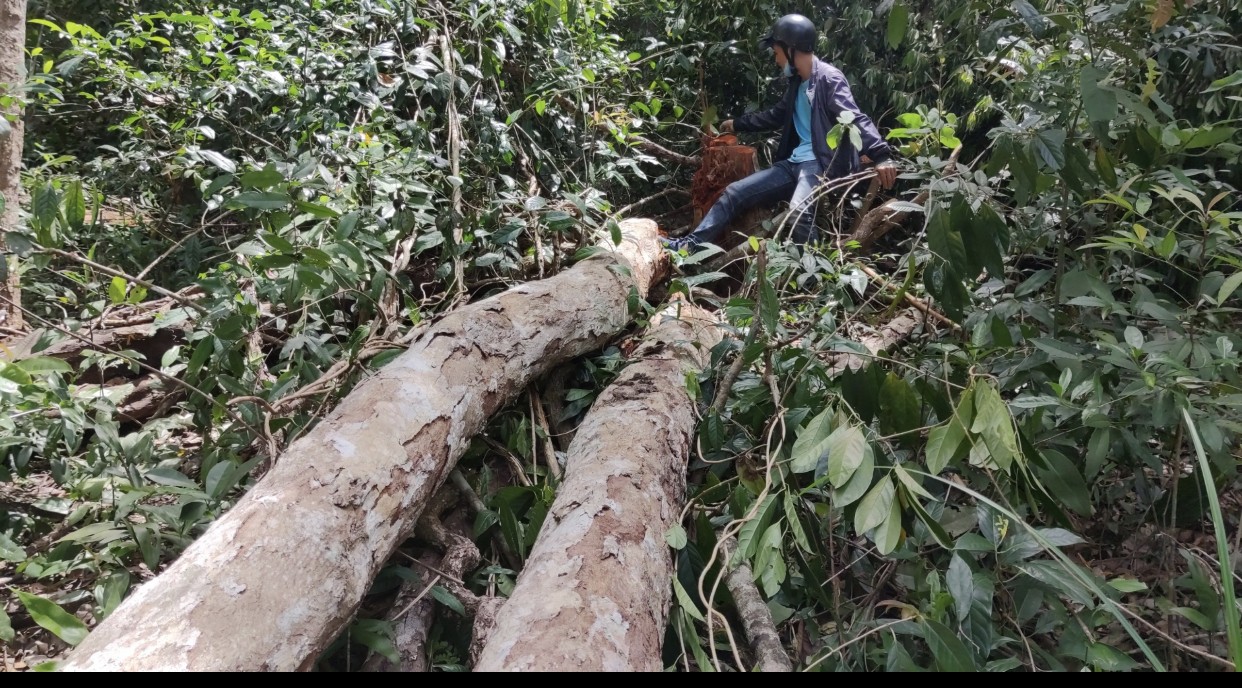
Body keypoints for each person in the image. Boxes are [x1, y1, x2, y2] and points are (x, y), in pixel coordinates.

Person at [664, 14, 897, 251]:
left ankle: (814, 278)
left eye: (777, 52)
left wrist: (880, 155)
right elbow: (776, 115)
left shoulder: (828, 79)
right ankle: (687, 248)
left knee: (798, 211)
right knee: (734, 192)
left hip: (819, 163)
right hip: (794, 163)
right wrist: (737, 124)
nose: (776, 59)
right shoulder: (797, 83)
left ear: (791, 49)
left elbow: (854, 116)